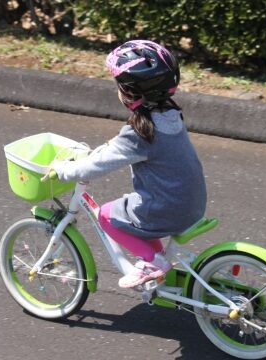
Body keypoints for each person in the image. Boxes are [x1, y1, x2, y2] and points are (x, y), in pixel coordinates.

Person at [50, 40, 207, 288]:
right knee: (133, 211)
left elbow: (95, 167)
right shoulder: (171, 115)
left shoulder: (140, 133)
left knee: (106, 215)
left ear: (132, 91)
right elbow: (114, 148)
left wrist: (63, 171)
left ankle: (153, 262)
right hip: (193, 205)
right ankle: (155, 262)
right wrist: (98, 151)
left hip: (167, 210)